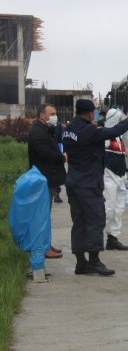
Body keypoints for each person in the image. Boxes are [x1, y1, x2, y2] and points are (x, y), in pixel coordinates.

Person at [62, 99, 128, 276]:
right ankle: (94, 261)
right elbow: (115, 131)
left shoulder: (68, 130)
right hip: (89, 184)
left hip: (73, 182)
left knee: (79, 222)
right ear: (91, 114)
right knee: (95, 221)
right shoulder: (89, 131)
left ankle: (80, 263)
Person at [27, 103, 66, 260]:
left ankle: (46, 244)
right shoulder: (38, 133)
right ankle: (42, 248)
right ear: (42, 115)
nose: (55, 116)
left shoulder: (45, 130)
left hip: (47, 178)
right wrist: (63, 157)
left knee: (45, 215)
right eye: (52, 113)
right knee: (42, 216)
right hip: (43, 179)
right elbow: (47, 155)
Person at [102, 108, 128, 251]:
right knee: (108, 208)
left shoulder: (119, 138)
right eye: (119, 119)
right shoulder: (105, 136)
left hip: (119, 177)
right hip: (108, 176)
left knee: (119, 209)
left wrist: (124, 176)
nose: (120, 122)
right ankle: (95, 237)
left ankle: (113, 238)